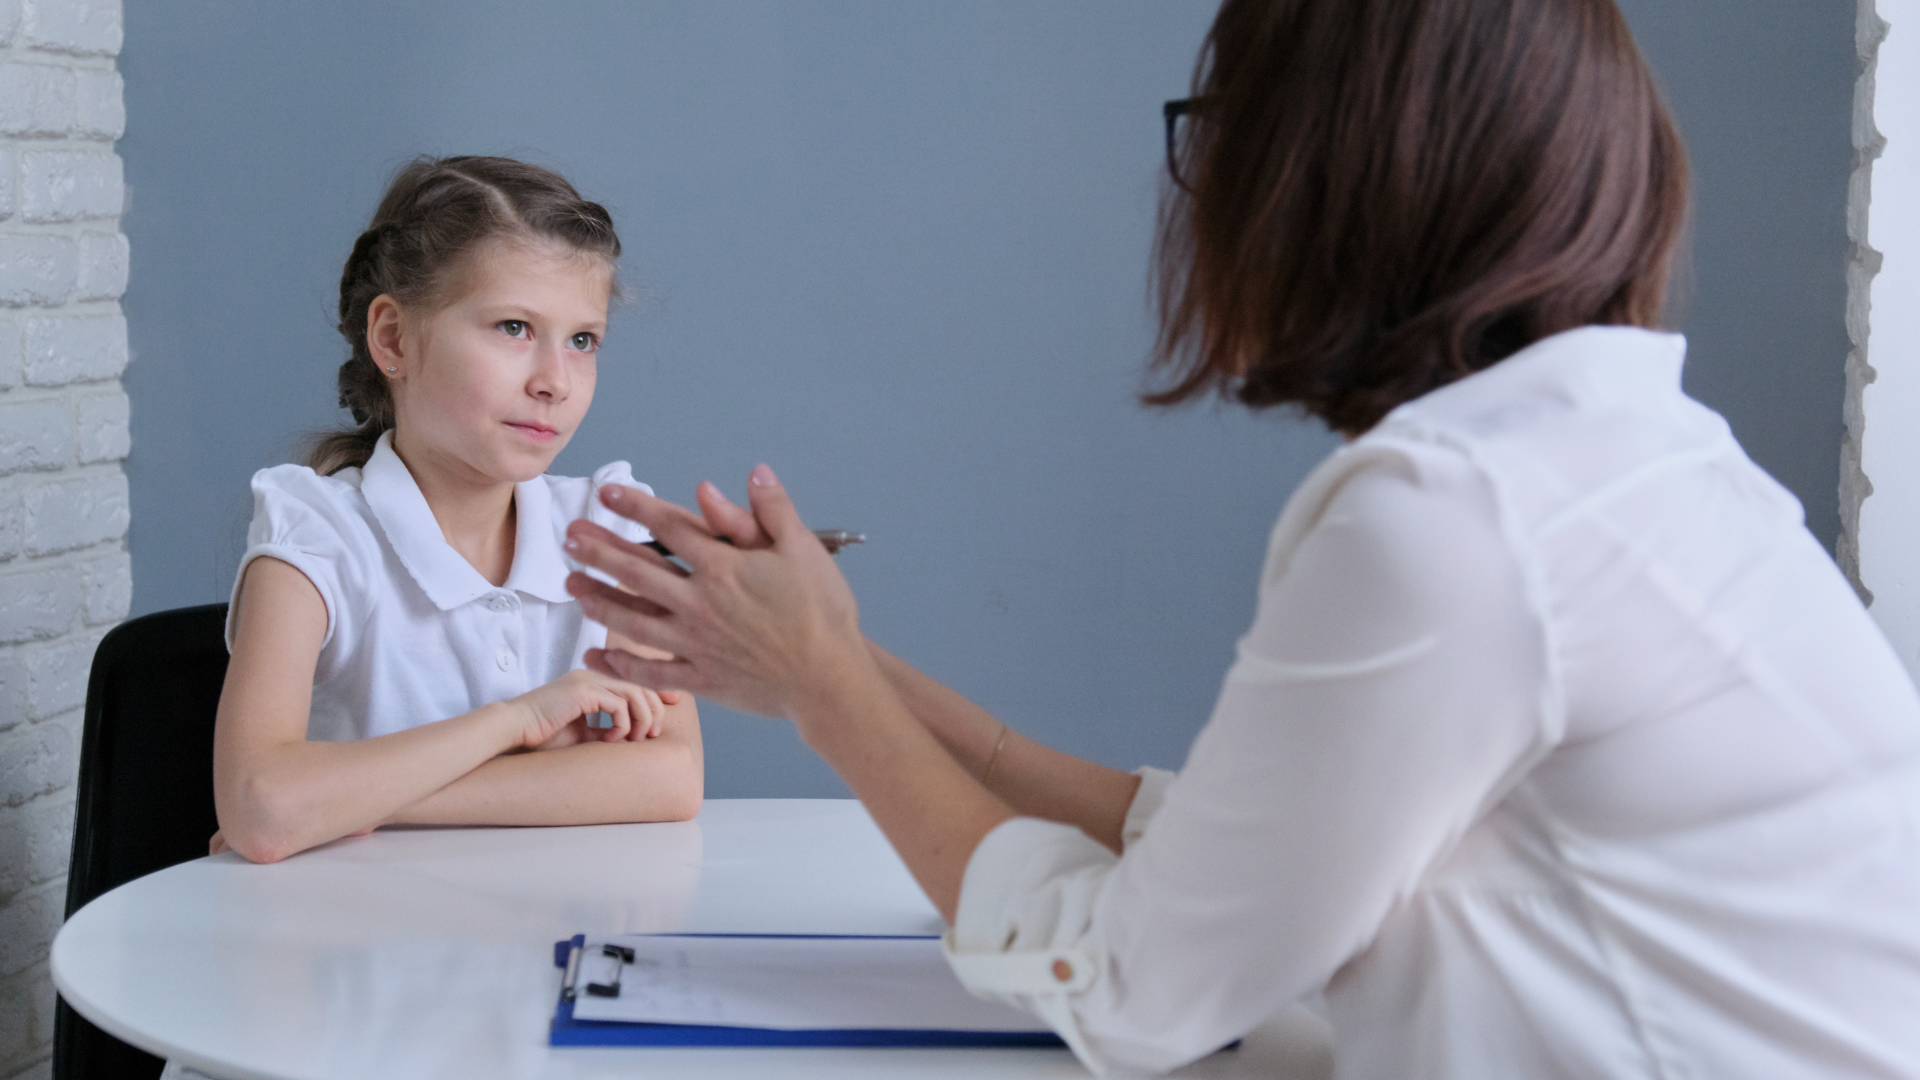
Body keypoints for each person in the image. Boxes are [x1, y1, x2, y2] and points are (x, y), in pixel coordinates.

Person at [560, 1, 1920, 1077]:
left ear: (1327, 172)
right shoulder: (1624, 465)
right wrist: (828, 654)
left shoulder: (1460, 521)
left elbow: (1142, 994)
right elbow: (1258, 853)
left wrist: (825, 691)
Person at [209, 155, 702, 867]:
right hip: (357, 954)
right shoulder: (314, 535)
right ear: (394, 339)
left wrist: (355, 797)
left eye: (582, 340)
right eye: (512, 327)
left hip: (551, 942)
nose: (554, 382)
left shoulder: (607, 530)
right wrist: (523, 719)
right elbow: (263, 807)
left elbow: (673, 778)